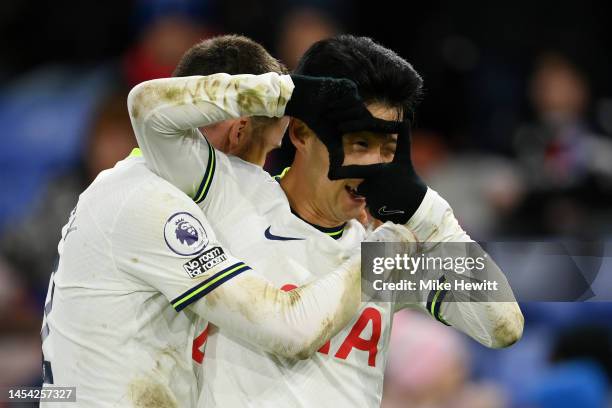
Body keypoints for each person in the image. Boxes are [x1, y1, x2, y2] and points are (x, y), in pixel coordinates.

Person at [132, 34, 524, 407]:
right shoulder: (227, 194)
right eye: (360, 144)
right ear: (301, 133)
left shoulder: (387, 248)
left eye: (388, 150)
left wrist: (429, 213)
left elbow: (502, 325)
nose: (374, 168)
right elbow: (148, 110)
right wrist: (287, 94)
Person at [40, 36, 388, 407]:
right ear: (238, 133)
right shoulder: (152, 203)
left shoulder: (123, 185)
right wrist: (385, 251)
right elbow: (291, 329)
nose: (264, 171)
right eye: (269, 150)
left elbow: (454, 283)